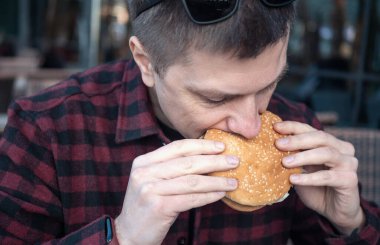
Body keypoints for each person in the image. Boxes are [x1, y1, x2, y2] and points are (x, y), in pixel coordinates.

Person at [0, 0, 379, 244]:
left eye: (269, 84)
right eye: (215, 98)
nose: (251, 124)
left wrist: (352, 222)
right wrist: (123, 237)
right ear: (146, 62)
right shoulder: (46, 129)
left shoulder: (296, 133)